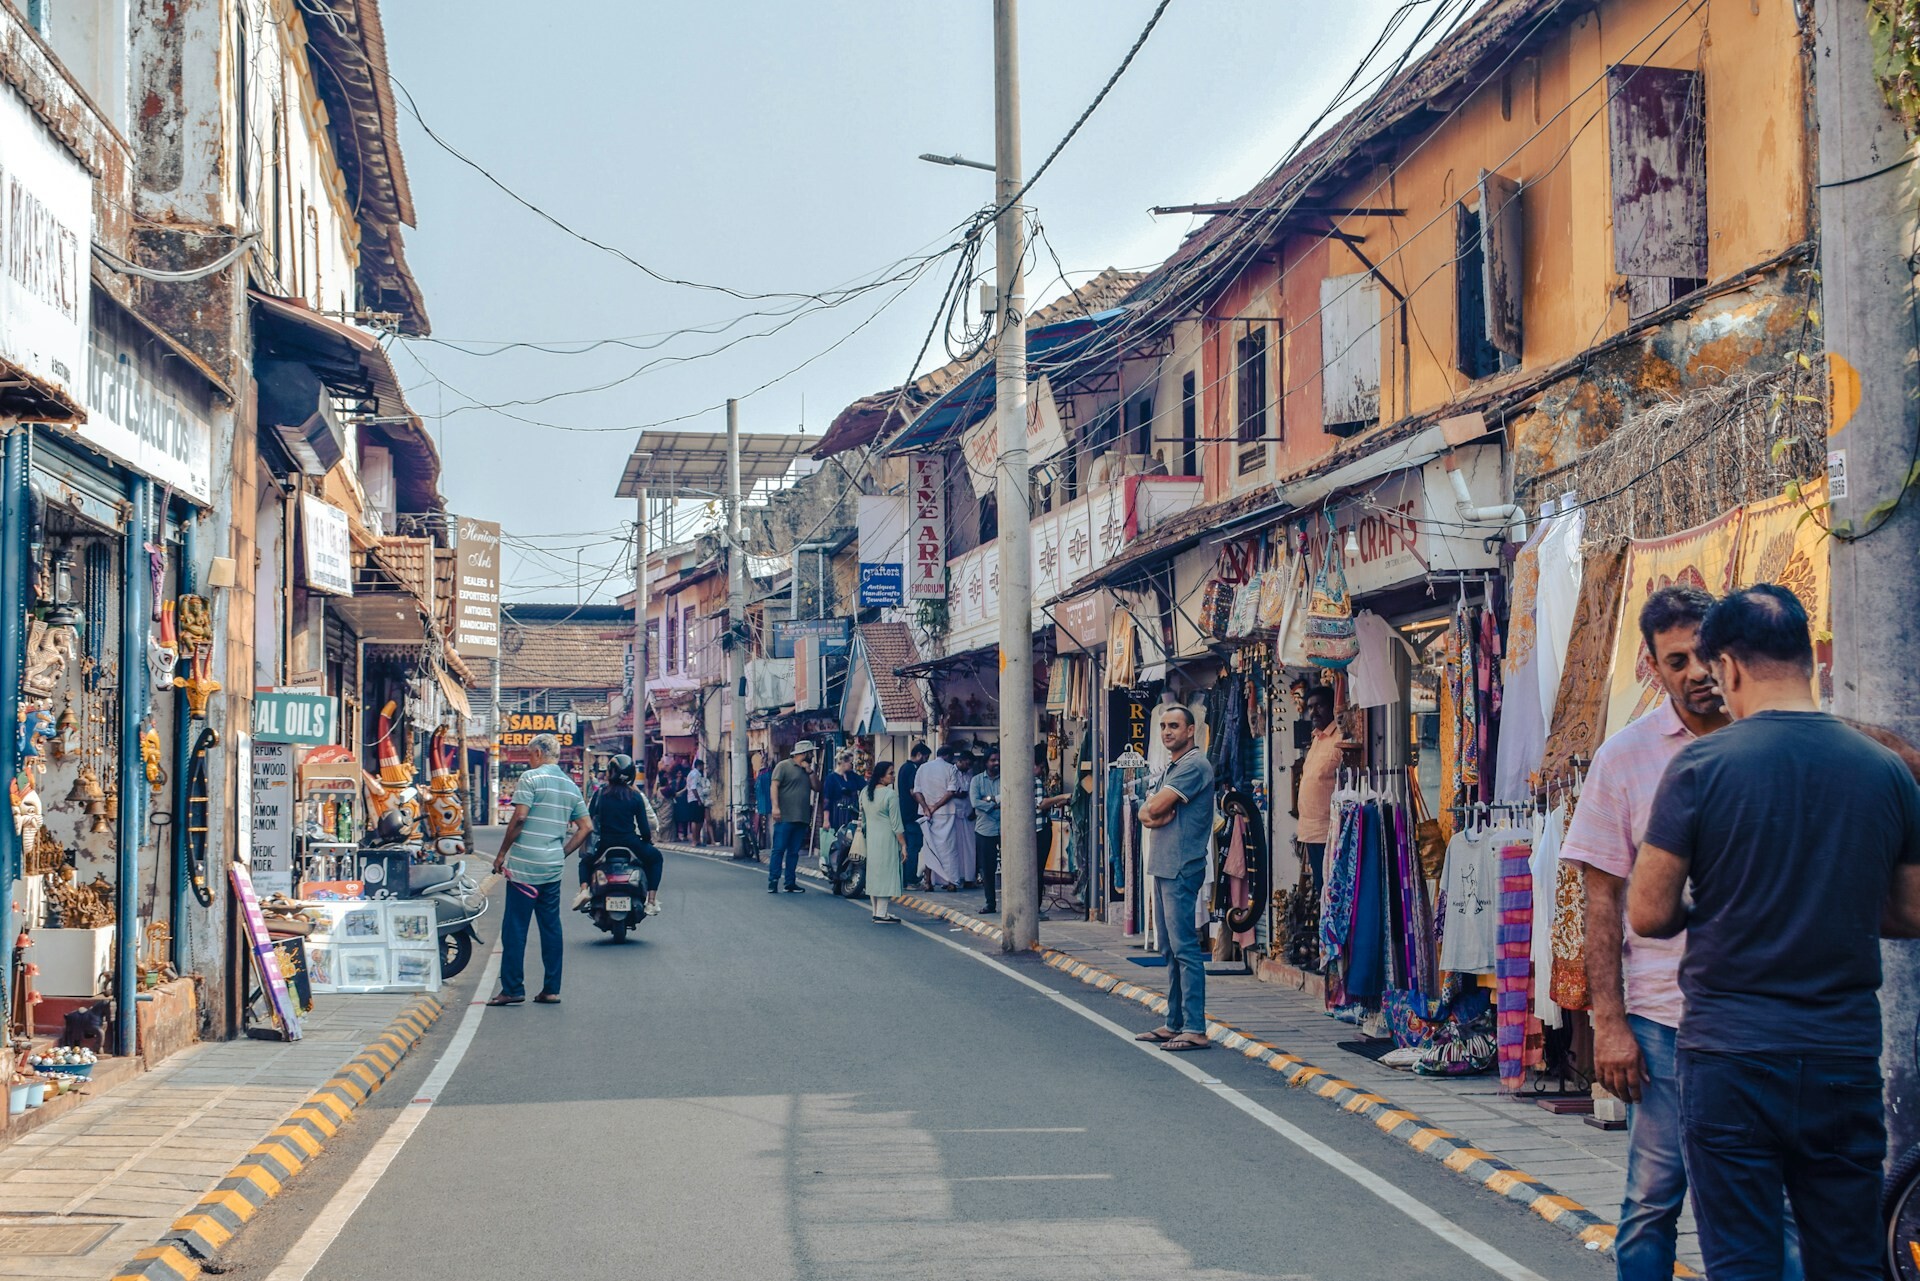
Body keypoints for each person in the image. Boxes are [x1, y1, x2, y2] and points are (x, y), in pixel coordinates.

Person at [1629, 585, 1920, 1281]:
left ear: (1727, 667)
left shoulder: (1698, 768)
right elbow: (1910, 913)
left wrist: (1722, 903)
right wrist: (1835, 904)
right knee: (1849, 1259)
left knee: (1744, 1261)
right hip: (1840, 1056)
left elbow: (1648, 912)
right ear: (1807, 659)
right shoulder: (1885, 770)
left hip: (1731, 1055)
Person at [1559, 585, 1737, 1281]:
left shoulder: (1766, 737)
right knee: (1651, 1198)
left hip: (1758, 1019)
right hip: (1663, 1019)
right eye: (1678, 659)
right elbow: (1600, 899)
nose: (1697, 671)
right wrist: (1610, 1024)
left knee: (1764, 1204)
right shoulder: (1624, 758)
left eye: (1707, 653)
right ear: (1652, 667)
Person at [1133, 706, 1216, 1053]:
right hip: (1165, 864)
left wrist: (1152, 812)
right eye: (1163, 726)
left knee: (1184, 948)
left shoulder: (1194, 765)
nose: (1167, 732)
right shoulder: (1174, 765)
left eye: (1174, 726)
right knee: (1169, 948)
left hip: (1181, 864)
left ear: (1191, 730)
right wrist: (1151, 812)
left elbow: (1152, 808)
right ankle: (1175, 1022)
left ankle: (1195, 1027)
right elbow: (1146, 810)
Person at [488, 733, 591, 1006]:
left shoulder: (530, 779)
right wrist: (562, 853)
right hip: (552, 869)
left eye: (529, 754)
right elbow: (586, 827)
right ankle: (551, 989)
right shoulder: (570, 787)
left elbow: (520, 816)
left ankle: (512, 988)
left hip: (525, 868)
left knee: (515, 928)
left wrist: (501, 854)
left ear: (537, 753)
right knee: (550, 927)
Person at [574, 753, 662, 916]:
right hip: (630, 842)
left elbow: (589, 818)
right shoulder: (635, 796)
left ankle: (584, 891)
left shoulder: (600, 794)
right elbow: (644, 826)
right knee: (656, 858)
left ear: (609, 772)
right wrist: (647, 841)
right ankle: (651, 901)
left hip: (604, 842)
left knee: (585, 862)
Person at [1295, 686, 1347, 897]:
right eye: (1310, 707)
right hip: (1311, 832)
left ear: (1332, 708)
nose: (1314, 712)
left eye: (1319, 706)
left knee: (1334, 891)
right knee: (1322, 889)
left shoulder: (1341, 738)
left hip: (1331, 831)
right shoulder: (1316, 739)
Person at [861, 760, 907, 924]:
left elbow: (864, 820)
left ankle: (877, 912)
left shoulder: (865, 792)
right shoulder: (890, 795)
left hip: (872, 838)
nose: (893, 776)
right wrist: (903, 844)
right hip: (887, 839)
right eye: (891, 773)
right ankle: (881, 913)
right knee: (887, 874)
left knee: (875, 874)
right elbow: (896, 824)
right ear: (881, 777)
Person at [913, 744, 965, 891]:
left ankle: (928, 882)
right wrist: (935, 807)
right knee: (948, 849)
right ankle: (951, 882)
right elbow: (951, 791)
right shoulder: (951, 768)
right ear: (948, 756)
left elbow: (917, 791)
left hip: (927, 814)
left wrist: (926, 808)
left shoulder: (923, 768)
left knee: (929, 848)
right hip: (946, 813)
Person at [768, 740, 817, 894]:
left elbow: (817, 787)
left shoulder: (807, 770)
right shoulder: (783, 766)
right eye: (811, 753)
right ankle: (773, 880)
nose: (813, 756)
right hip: (785, 816)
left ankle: (790, 882)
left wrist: (809, 771)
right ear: (804, 753)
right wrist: (775, 807)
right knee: (779, 849)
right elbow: (774, 785)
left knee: (794, 852)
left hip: (801, 817)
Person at [970, 750, 1003, 914]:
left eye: (998, 760)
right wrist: (996, 802)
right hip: (985, 830)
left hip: (1006, 828)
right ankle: (990, 903)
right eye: (992, 760)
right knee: (987, 869)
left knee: (1012, 867)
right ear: (986, 762)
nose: (996, 763)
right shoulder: (976, 781)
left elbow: (1010, 798)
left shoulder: (1005, 779)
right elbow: (975, 802)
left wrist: (989, 799)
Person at [897, 743, 929, 886]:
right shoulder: (913, 769)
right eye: (926, 757)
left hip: (904, 813)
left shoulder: (903, 767)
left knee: (908, 846)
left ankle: (905, 878)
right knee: (914, 846)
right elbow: (913, 790)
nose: (926, 761)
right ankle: (910, 878)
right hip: (912, 814)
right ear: (920, 755)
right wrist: (924, 806)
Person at [824, 748, 862, 830]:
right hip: (838, 814)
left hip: (853, 813)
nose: (852, 765)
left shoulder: (852, 776)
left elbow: (864, 785)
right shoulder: (831, 778)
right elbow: (827, 800)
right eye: (850, 762)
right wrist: (826, 820)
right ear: (843, 762)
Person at [753, 752, 774, 849]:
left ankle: (756, 841)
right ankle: (758, 841)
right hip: (766, 802)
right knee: (762, 822)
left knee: (761, 822)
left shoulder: (762, 775)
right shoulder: (764, 774)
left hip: (764, 802)